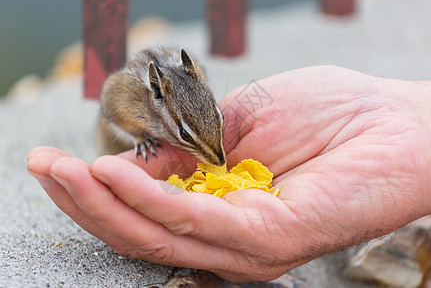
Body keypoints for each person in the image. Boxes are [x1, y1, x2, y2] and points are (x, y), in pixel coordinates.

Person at [27, 66, 431, 282]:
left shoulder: (193, 80)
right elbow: (113, 104)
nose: (216, 156)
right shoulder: (133, 101)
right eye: (185, 135)